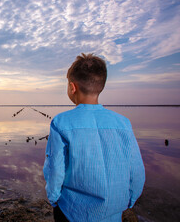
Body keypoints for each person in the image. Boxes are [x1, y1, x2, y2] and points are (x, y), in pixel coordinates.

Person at [43, 53, 145, 222]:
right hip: (113, 213)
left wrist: (54, 198)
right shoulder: (123, 123)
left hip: (72, 211)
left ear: (72, 87)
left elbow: (55, 169)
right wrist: (130, 200)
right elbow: (136, 170)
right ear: (101, 86)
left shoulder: (61, 122)